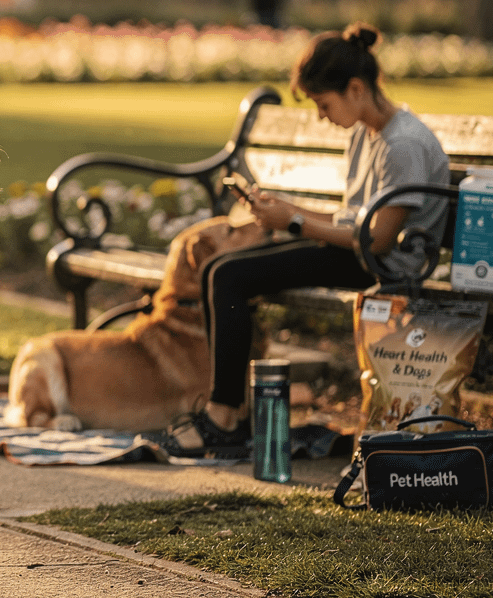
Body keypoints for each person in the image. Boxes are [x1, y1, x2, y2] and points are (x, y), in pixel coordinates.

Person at [160, 24, 450, 457]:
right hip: (357, 252)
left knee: (229, 276)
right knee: (222, 270)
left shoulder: (402, 145)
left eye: (323, 103)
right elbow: (350, 219)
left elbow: (380, 241)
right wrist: (285, 211)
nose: (321, 116)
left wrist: (294, 221)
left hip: (383, 264)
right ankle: (227, 411)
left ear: (356, 88)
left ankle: (224, 417)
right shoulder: (366, 132)